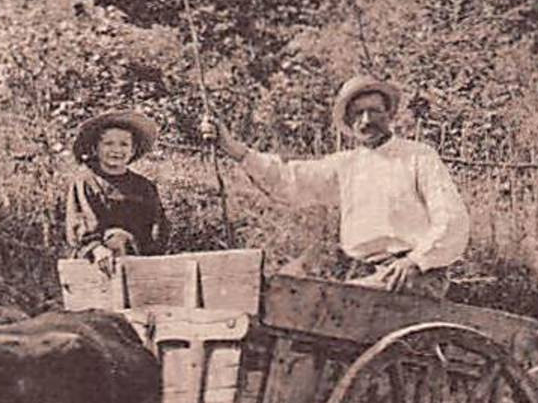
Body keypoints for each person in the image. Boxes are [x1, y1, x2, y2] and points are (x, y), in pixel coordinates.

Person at [201, 75, 469, 298]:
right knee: (284, 289)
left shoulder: (418, 157)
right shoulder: (347, 165)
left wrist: (416, 261)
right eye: (357, 114)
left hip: (413, 277)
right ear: (349, 123)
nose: (366, 121)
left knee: (318, 304)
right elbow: (290, 181)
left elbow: (451, 219)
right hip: (364, 273)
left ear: (389, 113)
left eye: (373, 111)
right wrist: (233, 148)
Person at [63, 108, 167, 273]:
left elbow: (157, 227)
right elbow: (81, 222)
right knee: (117, 238)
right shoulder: (86, 181)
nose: (116, 150)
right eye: (108, 144)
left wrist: (151, 257)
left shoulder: (144, 186)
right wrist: (96, 248)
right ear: (96, 148)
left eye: (124, 144)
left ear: (132, 150)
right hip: (96, 260)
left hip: (137, 259)